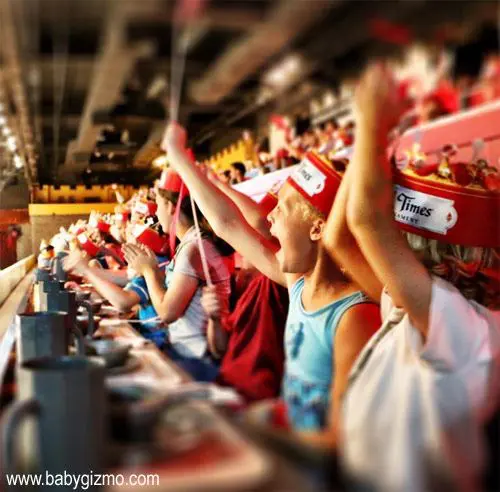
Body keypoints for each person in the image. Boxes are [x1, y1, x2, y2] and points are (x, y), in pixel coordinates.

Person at [324, 63, 500, 491]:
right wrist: (375, 143)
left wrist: (371, 122)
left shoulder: (469, 328)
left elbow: (365, 219)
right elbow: (339, 239)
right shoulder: (410, 305)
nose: (397, 237)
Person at [161, 122, 381, 448]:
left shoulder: (354, 316)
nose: (271, 216)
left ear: (318, 230)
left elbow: (338, 441)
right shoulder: (296, 282)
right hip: (282, 434)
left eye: (283, 207)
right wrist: (180, 159)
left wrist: (252, 431)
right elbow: (227, 223)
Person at [122, 168, 232, 382]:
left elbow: (167, 312)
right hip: (184, 351)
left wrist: (149, 271)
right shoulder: (190, 244)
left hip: (196, 359)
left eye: (159, 205)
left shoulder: (194, 248)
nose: (156, 213)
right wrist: (151, 267)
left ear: (171, 207)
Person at [63, 225, 171, 348]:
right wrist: (85, 291)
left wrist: (86, 271)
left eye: (129, 240)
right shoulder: (151, 264)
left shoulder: (155, 266)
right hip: (149, 332)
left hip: (157, 338)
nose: (124, 246)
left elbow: (123, 302)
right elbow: (117, 291)